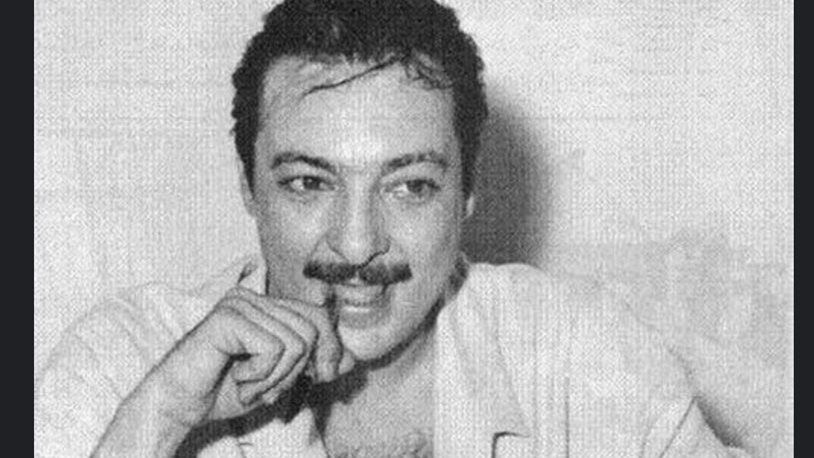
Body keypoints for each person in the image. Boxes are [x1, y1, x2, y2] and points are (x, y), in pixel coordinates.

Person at [34, 0, 756, 456]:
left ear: (467, 193)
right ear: (248, 187)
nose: (356, 244)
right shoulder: (126, 361)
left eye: (410, 186)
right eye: (309, 182)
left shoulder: (581, 354)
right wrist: (161, 419)